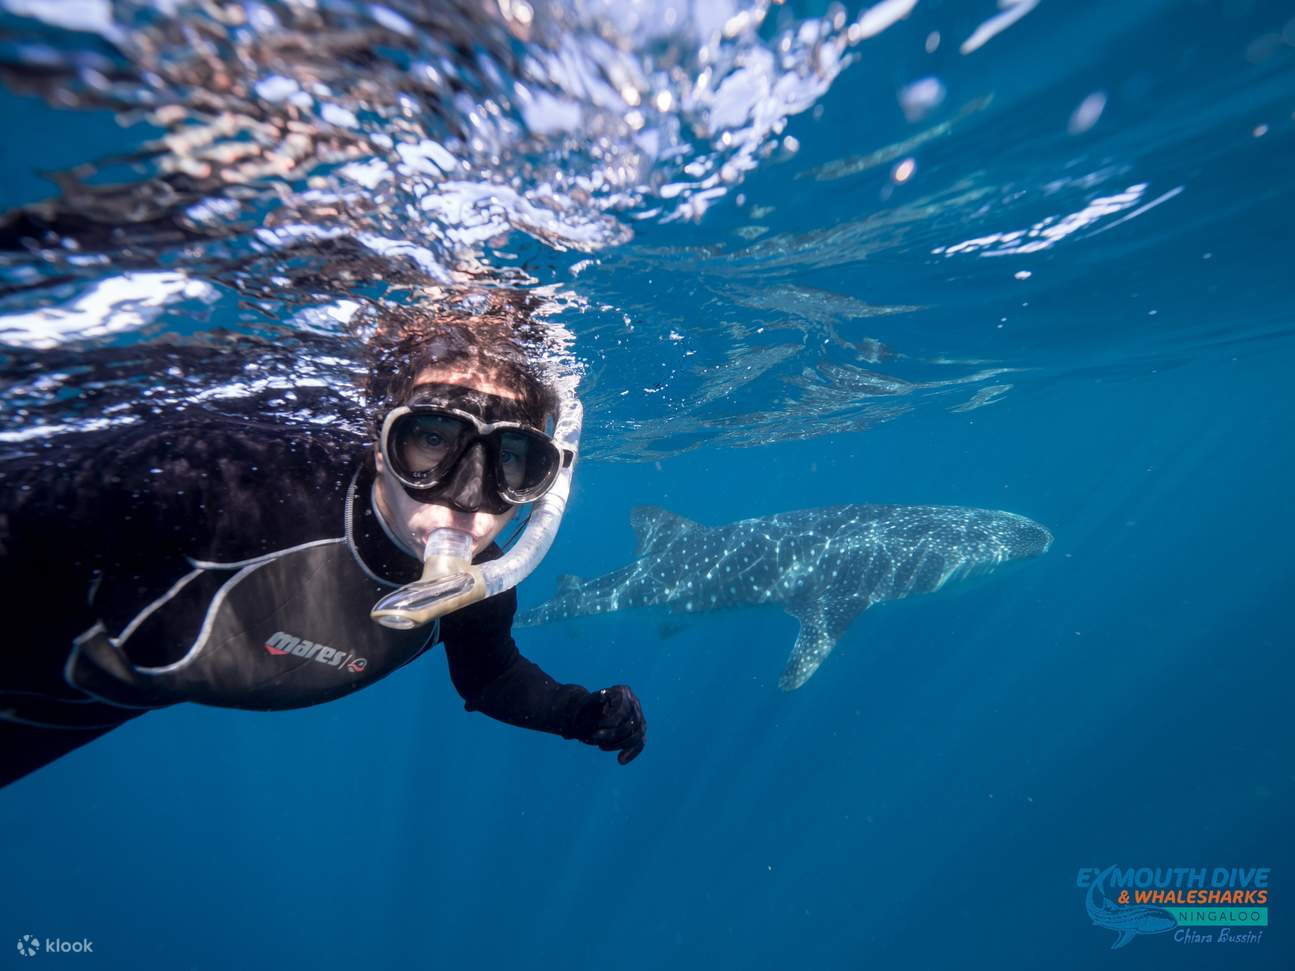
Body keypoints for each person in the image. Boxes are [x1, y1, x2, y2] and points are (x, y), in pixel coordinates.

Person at [0, 298, 646, 787]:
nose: (466, 495)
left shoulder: (475, 587)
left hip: (73, 715)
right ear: (377, 439)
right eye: (431, 440)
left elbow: (493, 675)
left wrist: (577, 713)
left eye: (510, 461)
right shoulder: (223, 486)